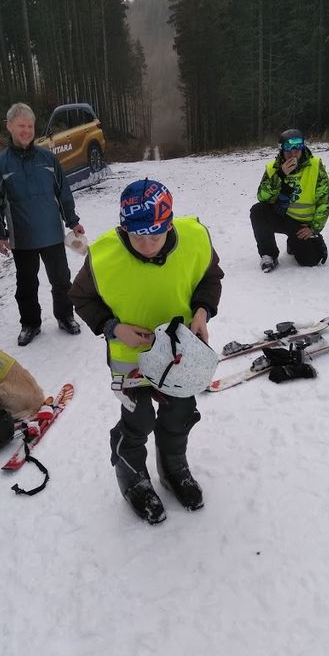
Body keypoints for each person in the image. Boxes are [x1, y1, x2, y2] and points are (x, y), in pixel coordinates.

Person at [69, 179, 224, 524]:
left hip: (178, 354)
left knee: (180, 413)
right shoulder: (104, 255)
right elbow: (79, 297)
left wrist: (202, 311)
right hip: (132, 359)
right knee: (138, 420)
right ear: (125, 228)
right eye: (138, 237)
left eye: (156, 235)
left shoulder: (195, 239)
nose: (148, 245)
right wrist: (113, 328)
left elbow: (210, 279)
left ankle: (173, 467)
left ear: (169, 224)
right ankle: (132, 477)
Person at [0, 102, 84, 346]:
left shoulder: (48, 159)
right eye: (21, 125)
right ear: (9, 126)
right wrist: (0, 234)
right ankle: (30, 324)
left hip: (52, 233)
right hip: (22, 237)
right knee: (27, 284)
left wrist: (73, 222)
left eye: (30, 125)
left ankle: (65, 316)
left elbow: (63, 193)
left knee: (61, 280)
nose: (27, 130)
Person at [250, 129, 329, 272]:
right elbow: (262, 197)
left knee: (310, 261)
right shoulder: (273, 168)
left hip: (302, 224)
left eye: (297, 149)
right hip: (281, 216)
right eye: (288, 150)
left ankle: (304, 242)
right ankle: (269, 254)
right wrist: (280, 175)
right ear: (281, 150)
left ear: (303, 148)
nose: (293, 154)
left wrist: (313, 228)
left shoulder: (314, 166)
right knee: (258, 211)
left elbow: (325, 200)